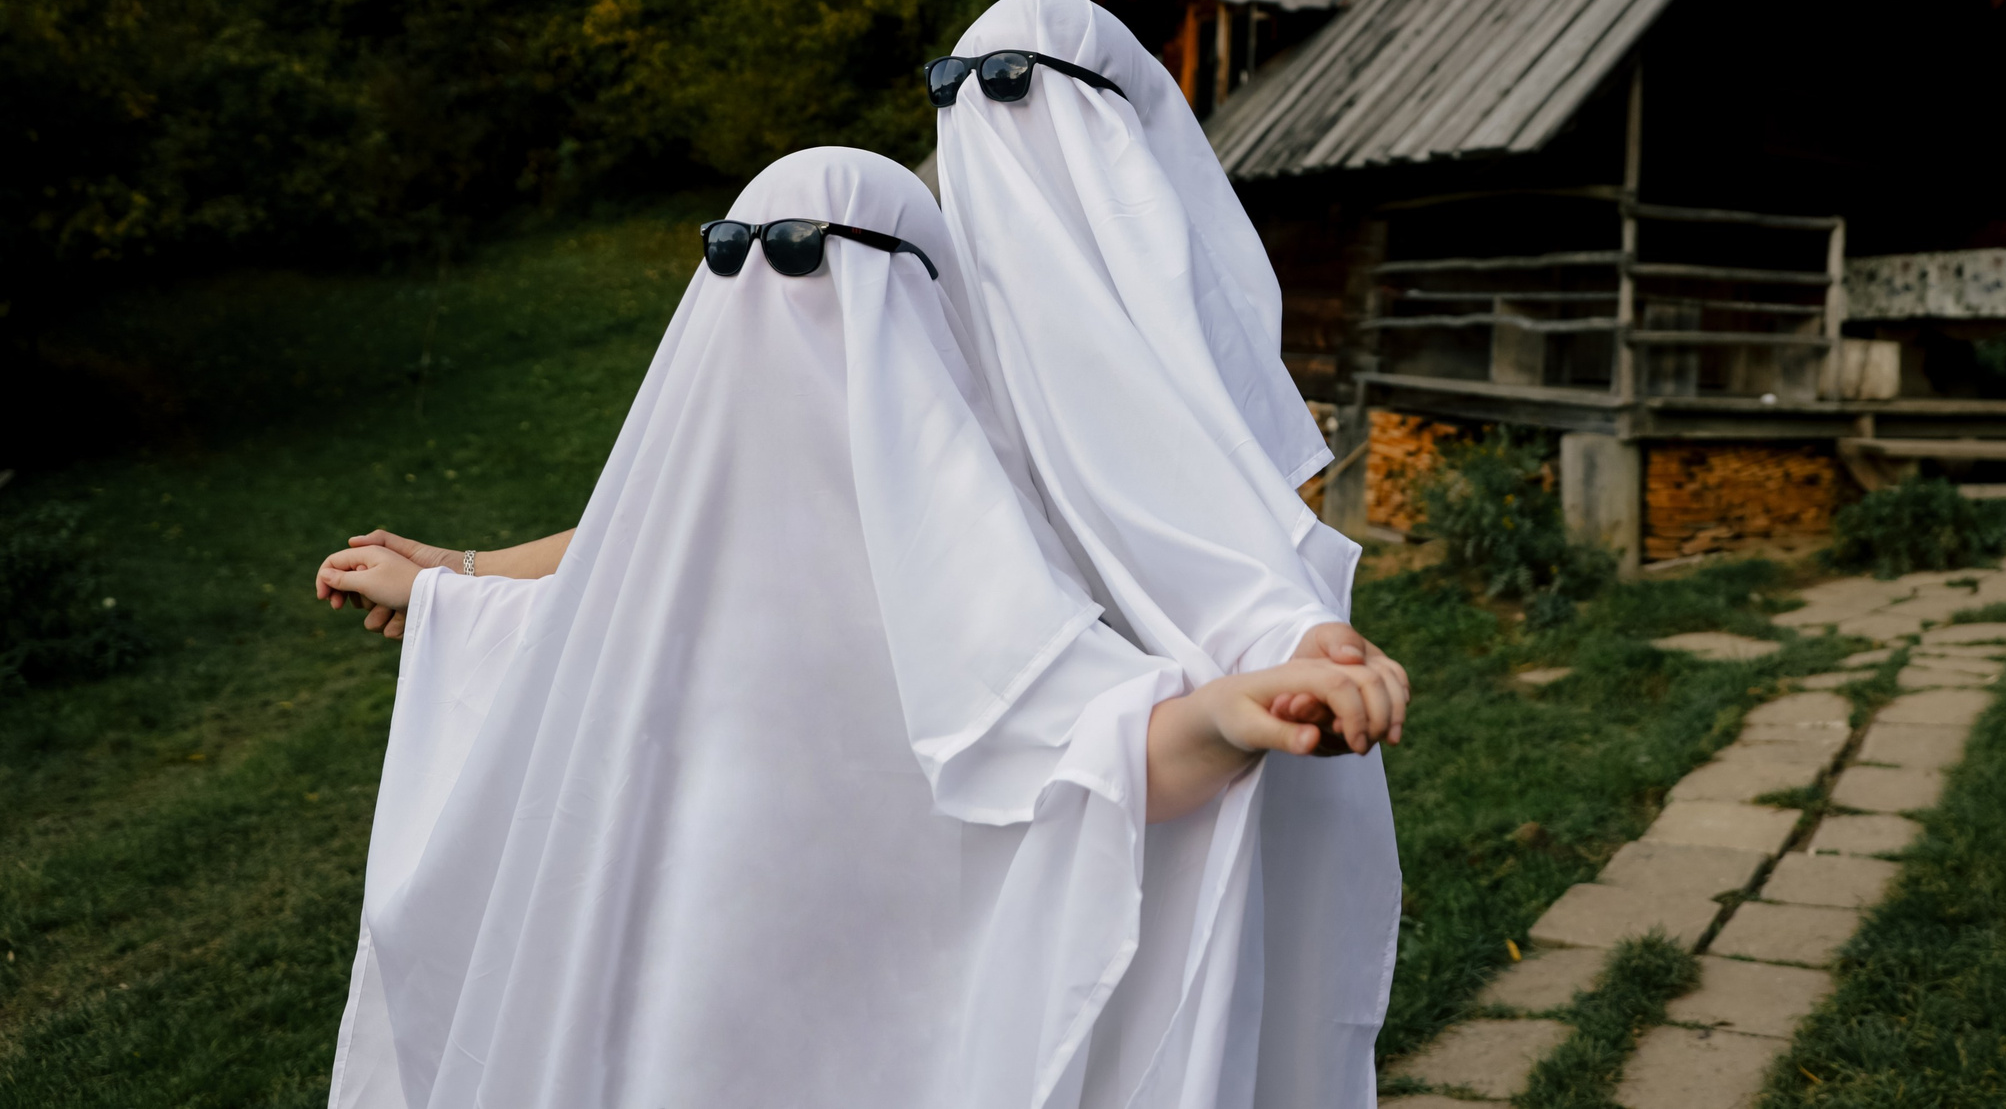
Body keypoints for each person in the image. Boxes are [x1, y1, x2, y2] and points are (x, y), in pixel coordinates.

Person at [316, 148, 1399, 1109]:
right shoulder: (720, 538)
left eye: (806, 265)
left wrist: (1225, 714)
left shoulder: (966, 548)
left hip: (845, 1024)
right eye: (743, 256)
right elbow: (612, 558)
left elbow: (1079, 741)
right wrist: (449, 582)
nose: (782, 301)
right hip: (682, 1014)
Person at [928, 0, 1404, 1109]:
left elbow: (1204, 526)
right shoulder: (946, 344)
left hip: (1187, 771)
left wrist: (1300, 630)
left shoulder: (1121, 351)